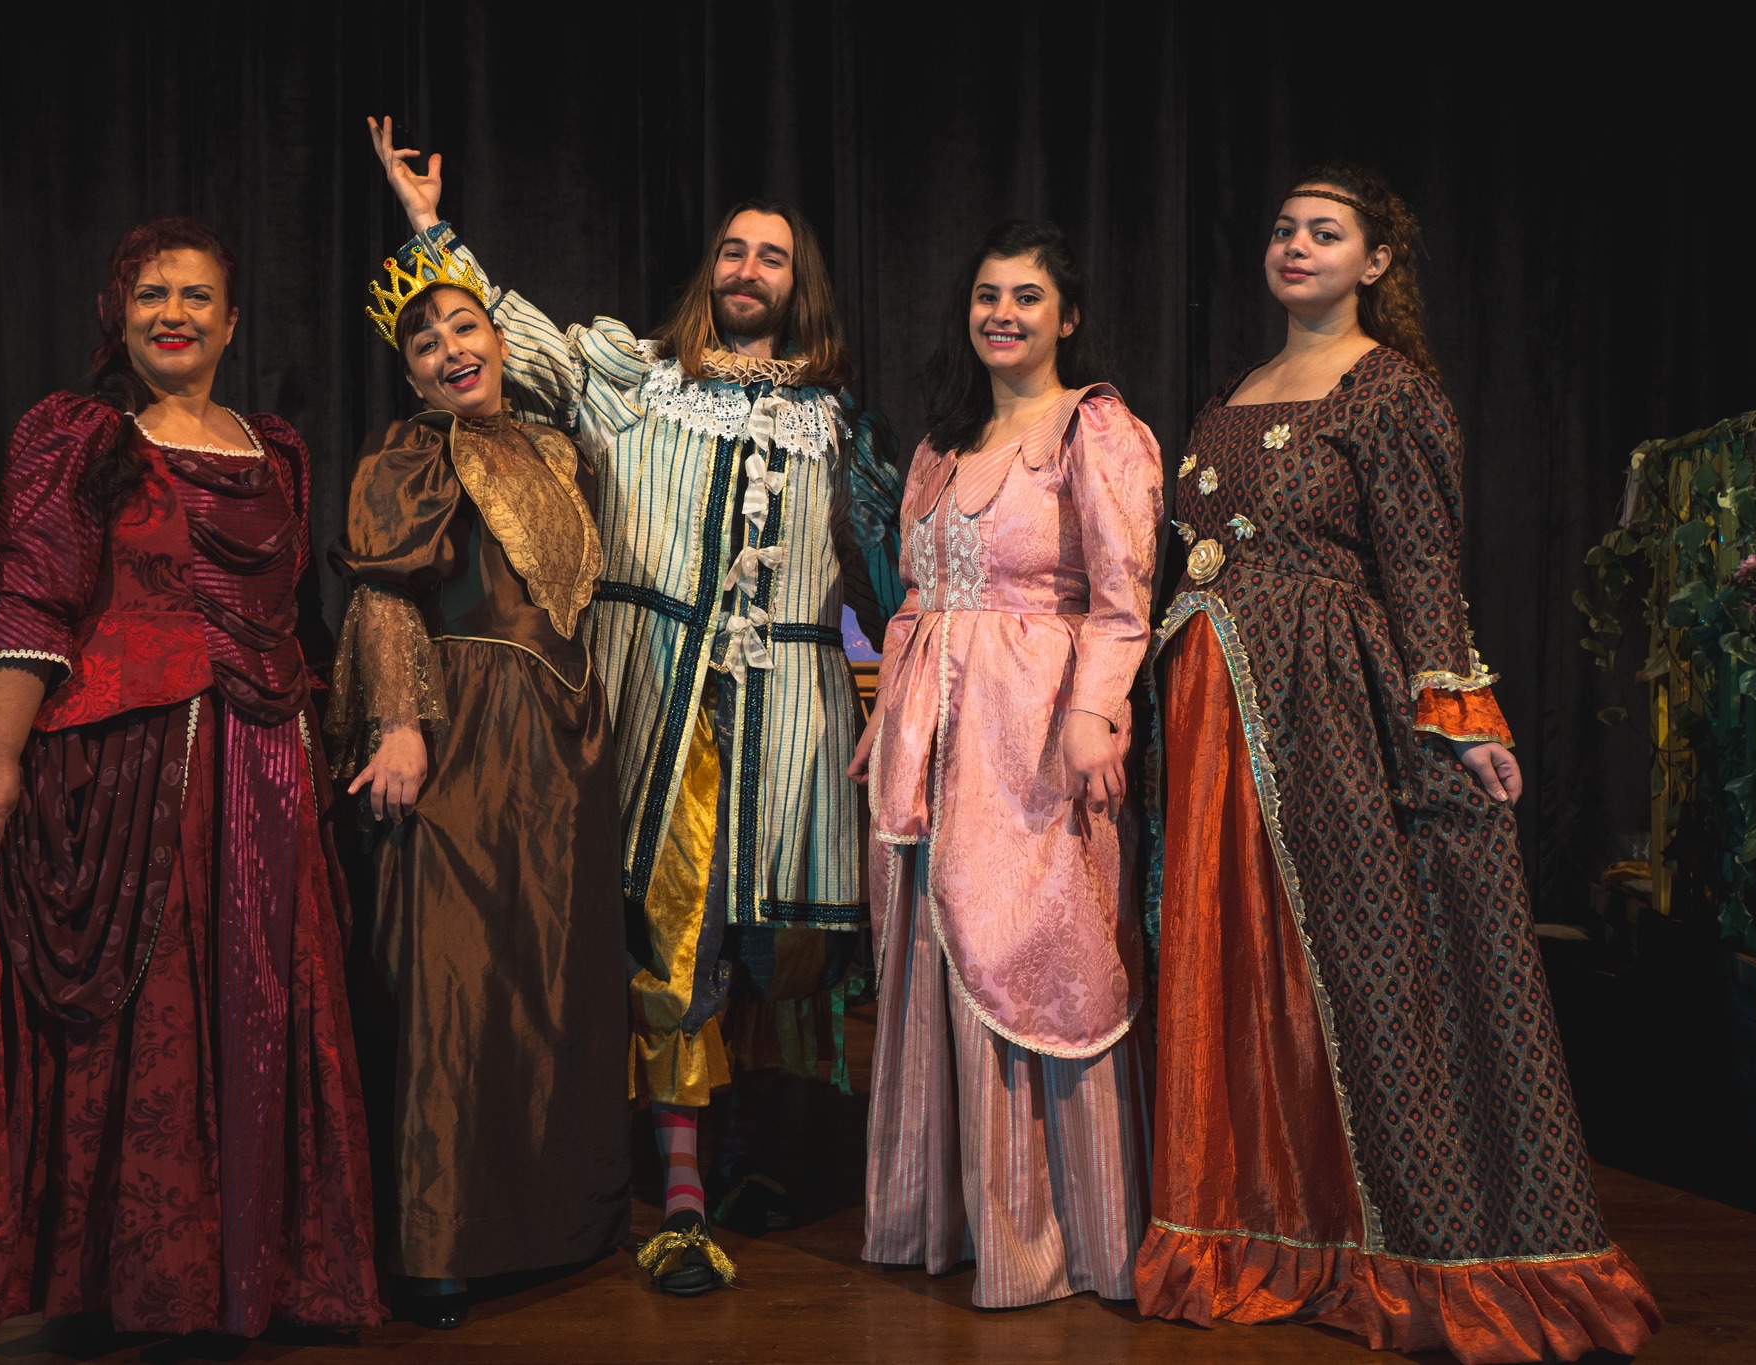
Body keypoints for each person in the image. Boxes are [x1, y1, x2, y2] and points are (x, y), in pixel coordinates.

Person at [364, 119, 903, 1293]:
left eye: (770, 256)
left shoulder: (835, 423)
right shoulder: (633, 380)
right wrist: (429, 228)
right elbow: (504, 334)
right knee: (669, 940)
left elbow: (893, 575)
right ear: (710, 270)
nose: (747, 270)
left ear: (798, 282)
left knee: (776, 946)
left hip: (791, 724)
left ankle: (759, 1155)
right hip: (657, 711)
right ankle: (679, 1193)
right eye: (733, 251)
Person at [1134, 164, 1660, 1362]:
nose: (1294, 246)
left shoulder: (1386, 390)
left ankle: (1404, 1245)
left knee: (1358, 966)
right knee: (1237, 963)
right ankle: (1253, 1228)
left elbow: (1421, 564)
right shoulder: (1234, 392)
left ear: (1374, 261)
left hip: (1321, 705)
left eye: (1323, 233)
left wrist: (1460, 717)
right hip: (1211, 707)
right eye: (1282, 229)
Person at [0, 219, 385, 1336]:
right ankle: (149, 1285)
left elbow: (298, 617)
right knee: (157, 1018)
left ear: (231, 323)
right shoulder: (80, 437)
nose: (173, 314)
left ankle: (261, 1277)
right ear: (120, 315)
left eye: (196, 297)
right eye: (152, 295)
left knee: (261, 1002)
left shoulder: (277, 450)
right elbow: (30, 598)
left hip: (269, 764)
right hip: (137, 769)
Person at [848, 221, 1161, 1308]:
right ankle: (939, 1218)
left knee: (1033, 950)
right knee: (933, 948)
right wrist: (885, 712)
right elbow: (913, 599)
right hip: (927, 734)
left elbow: (1122, 597)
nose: (1003, 314)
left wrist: (1094, 711)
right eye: (988, 295)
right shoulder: (942, 445)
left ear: (1067, 318)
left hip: (1030, 729)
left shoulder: (1093, 428)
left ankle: (1055, 1236)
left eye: (1027, 297)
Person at [325, 259, 630, 1328]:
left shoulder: (558, 447)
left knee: (548, 970)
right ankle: (440, 1240)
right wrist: (399, 724)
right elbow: (383, 595)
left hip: (565, 735)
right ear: (410, 375)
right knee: (452, 971)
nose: (451, 349)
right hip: (463, 723)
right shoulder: (411, 452)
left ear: (501, 341)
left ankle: (554, 1223)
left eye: (465, 327)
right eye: (425, 343)